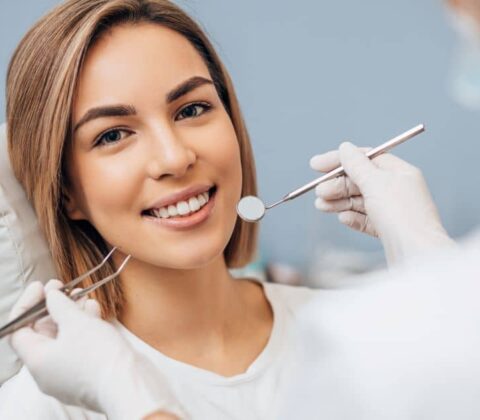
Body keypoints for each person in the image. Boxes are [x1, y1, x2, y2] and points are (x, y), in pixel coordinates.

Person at [0, 0, 458, 419]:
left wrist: (439, 294)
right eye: (113, 135)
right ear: (66, 193)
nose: (175, 157)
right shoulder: (46, 401)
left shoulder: (363, 337)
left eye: (192, 109)